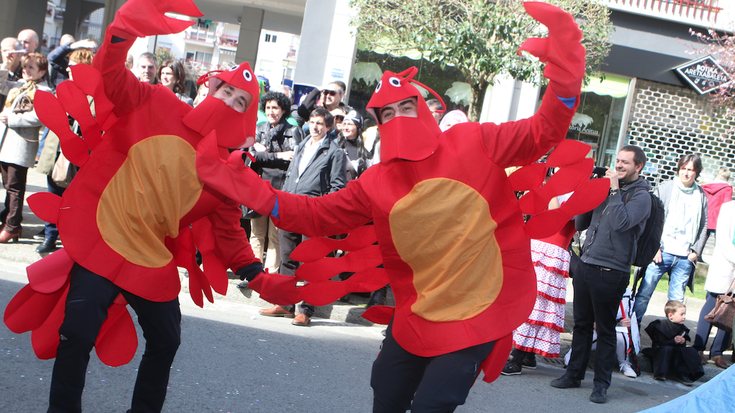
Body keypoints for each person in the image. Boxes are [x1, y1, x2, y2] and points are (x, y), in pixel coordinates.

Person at [196, 3, 590, 410]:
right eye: (388, 112)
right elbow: (317, 215)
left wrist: (565, 75)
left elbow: (544, 130)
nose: (400, 117)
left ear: (423, 110)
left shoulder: (475, 140)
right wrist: (253, 190)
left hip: (478, 308)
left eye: (407, 107)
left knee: (434, 402)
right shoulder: (375, 182)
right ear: (379, 124)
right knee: (386, 392)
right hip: (418, 310)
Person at [2, 1, 270, 411]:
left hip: (149, 256)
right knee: (76, 334)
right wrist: (123, 30)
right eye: (226, 90)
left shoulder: (224, 169)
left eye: (239, 101)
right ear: (208, 89)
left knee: (167, 339)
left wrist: (257, 274)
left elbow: (229, 228)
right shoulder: (157, 102)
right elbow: (110, 77)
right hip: (103, 242)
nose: (229, 100)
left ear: (245, 120)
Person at [551, 145, 652, 404]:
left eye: (625, 163)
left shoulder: (642, 196)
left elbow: (621, 223)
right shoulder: (605, 187)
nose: (618, 166)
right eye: (617, 161)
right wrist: (589, 191)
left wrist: (614, 189)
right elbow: (581, 223)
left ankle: (601, 385)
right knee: (582, 326)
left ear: (638, 166)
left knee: (606, 329)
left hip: (612, 271)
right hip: (586, 264)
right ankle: (573, 375)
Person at [258, 107, 346, 327]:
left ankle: (305, 310)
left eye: (319, 123)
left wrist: (323, 208)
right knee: (288, 258)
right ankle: (286, 304)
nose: (314, 126)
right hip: (291, 208)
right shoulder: (301, 145)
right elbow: (291, 177)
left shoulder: (334, 152)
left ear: (328, 127)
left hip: (313, 212)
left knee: (310, 263)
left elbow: (337, 186)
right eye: (312, 122)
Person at [502, 193, 575, 375]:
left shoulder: (579, 194)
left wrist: (553, 191)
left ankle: (517, 357)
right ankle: (528, 355)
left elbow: (555, 215)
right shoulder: (553, 187)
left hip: (553, 252)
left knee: (536, 306)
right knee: (529, 301)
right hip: (536, 246)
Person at [33, 48, 96, 254]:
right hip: (56, 150)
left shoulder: (94, 95)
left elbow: (94, 124)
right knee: (53, 195)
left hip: (80, 155)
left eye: (74, 66)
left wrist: (76, 112)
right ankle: (50, 236)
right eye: (69, 66)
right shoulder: (62, 88)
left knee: (76, 202)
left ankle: (71, 241)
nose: (69, 69)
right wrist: (42, 150)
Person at [633, 154, 708, 321]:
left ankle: (672, 339)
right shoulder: (665, 188)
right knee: (644, 294)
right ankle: (631, 332)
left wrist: (696, 251)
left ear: (696, 173)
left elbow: (703, 224)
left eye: (690, 170)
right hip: (662, 252)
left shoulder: (701, 195)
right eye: (683, 169)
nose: (686, 173)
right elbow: (651, 219)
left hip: (684, 256)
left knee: (677, 302)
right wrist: (654, 247)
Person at [246, 91, 303, 275]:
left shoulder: (293, 130)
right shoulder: (259, 129)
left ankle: (270, 273)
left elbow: (294, 159)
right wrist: (277, 156)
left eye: (275, 108)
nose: (271, 111)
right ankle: (254, 273)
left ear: (283, 109)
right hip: (259, 186)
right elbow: (252, 156)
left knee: (275, 235)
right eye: (268, 107)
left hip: (281, 189)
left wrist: (264, 154)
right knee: (256, 232)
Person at [0, 52, 52, 243]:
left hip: (21, 144)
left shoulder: (44, 91)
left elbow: (39, 117)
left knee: (15, 187)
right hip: (5, 143)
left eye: (31, 67)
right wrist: (6, 63)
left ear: (42, 71)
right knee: (8, 184)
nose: (26, 70)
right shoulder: (19, 85)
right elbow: (1, 84)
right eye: (24, 66)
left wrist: (11, 119)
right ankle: (9, 221)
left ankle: (13, 226)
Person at [693, 200, 734, 369]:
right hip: (726, 265)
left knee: (731, 310)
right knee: (713, 305)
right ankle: (698, 348)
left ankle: (717, 351)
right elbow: (723, 239)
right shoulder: (728, 208)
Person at [642, 300, 704, 385]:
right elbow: (659, 343)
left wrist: (682, 341)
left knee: (690, 351)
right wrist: (673, 341)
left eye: (684, 314)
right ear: (671, 315)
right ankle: (660, 373)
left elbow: (682, 347)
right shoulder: (660, 325)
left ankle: (682, 374)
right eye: (681, 314)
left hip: (675, 352)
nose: (684, 317)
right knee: (666, 349)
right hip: (661, 351)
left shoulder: (683, 329)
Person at [701, 167, 732, 247]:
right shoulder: (727, 188)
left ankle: (697, 255)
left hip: (705, 214)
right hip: (719, 217)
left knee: (703, 236)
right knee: (719, 239)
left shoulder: (706, 187)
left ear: (717, 175)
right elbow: (727, 203)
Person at [337, 110, 371, 181]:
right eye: (344, 124)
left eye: (349, 124)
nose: (346, 128)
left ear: (357, 127)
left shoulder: (364, 155)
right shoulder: (335, 147)